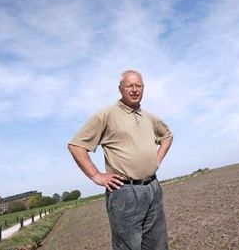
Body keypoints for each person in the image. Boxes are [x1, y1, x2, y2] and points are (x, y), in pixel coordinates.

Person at [68, 70, 173, 250]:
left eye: (138, 85)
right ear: (120, 89)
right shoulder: (107, 114)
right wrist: (96, 176)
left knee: (158, 246)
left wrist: (156, 160)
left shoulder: (148, 117)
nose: (134, 89)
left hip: (153, 188)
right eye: (129, 85)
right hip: (124, 192)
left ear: (143, 89)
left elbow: (167, 136)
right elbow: (76, 145)